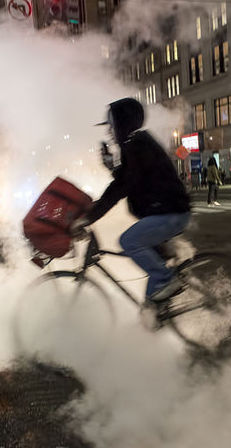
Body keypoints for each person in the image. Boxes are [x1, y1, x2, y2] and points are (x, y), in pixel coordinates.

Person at [70, 97, 191, 303]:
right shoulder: (135, 144)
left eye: (111, 125)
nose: (109, 131)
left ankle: (165, 279)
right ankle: (157, 310)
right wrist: (112, 166)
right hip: (166, 211)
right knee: (151, 305)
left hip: (171, 212)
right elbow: (130, 179)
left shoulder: (137, 144)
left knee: (129, 241)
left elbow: (121, 187)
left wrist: (89, 217)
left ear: (122, 124)